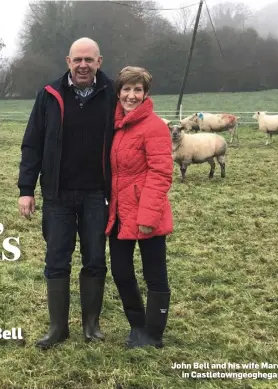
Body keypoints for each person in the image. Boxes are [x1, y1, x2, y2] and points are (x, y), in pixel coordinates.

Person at [17, 37, 117, 350]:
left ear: (99, 62)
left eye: (89, 60)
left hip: (96, 195)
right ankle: (58, 328)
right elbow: (32, 143)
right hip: (57, 195)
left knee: (95, 259)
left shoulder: (113, 93)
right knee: (56, 261)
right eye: (78, 60)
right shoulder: (49, 95)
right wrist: (26, 189)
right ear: (68, 62)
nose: (83, 65)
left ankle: (91, 326)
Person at [104, 66, 174, 349]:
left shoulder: (154, 126)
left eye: (138, 90)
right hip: (119, 213)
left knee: (155, 273)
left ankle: (154, 334)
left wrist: (147, 216)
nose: (131, 96)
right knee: (121, 271)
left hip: (148, 212)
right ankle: (137, 325)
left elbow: (161, 174)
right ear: (118, 92)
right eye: (126, 89)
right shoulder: (115, 124)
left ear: (146, 94)